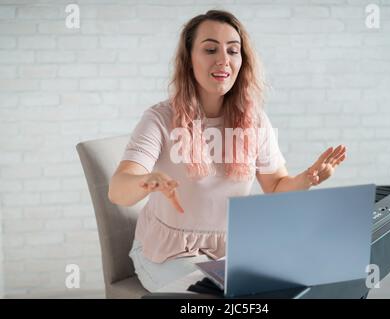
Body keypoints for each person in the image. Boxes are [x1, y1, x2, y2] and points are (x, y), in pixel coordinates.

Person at [108, 10, 347, 293]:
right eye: (210, 49)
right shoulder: (160, 118)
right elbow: (118, 190)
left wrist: (308, 178)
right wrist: (147, 182)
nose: (223, 59)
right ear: (188, 60)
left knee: (302, 280)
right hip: (167, 254)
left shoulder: (254, 119)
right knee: (213, 296)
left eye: (233, 51)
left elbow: (276, 186)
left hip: (229, 253)